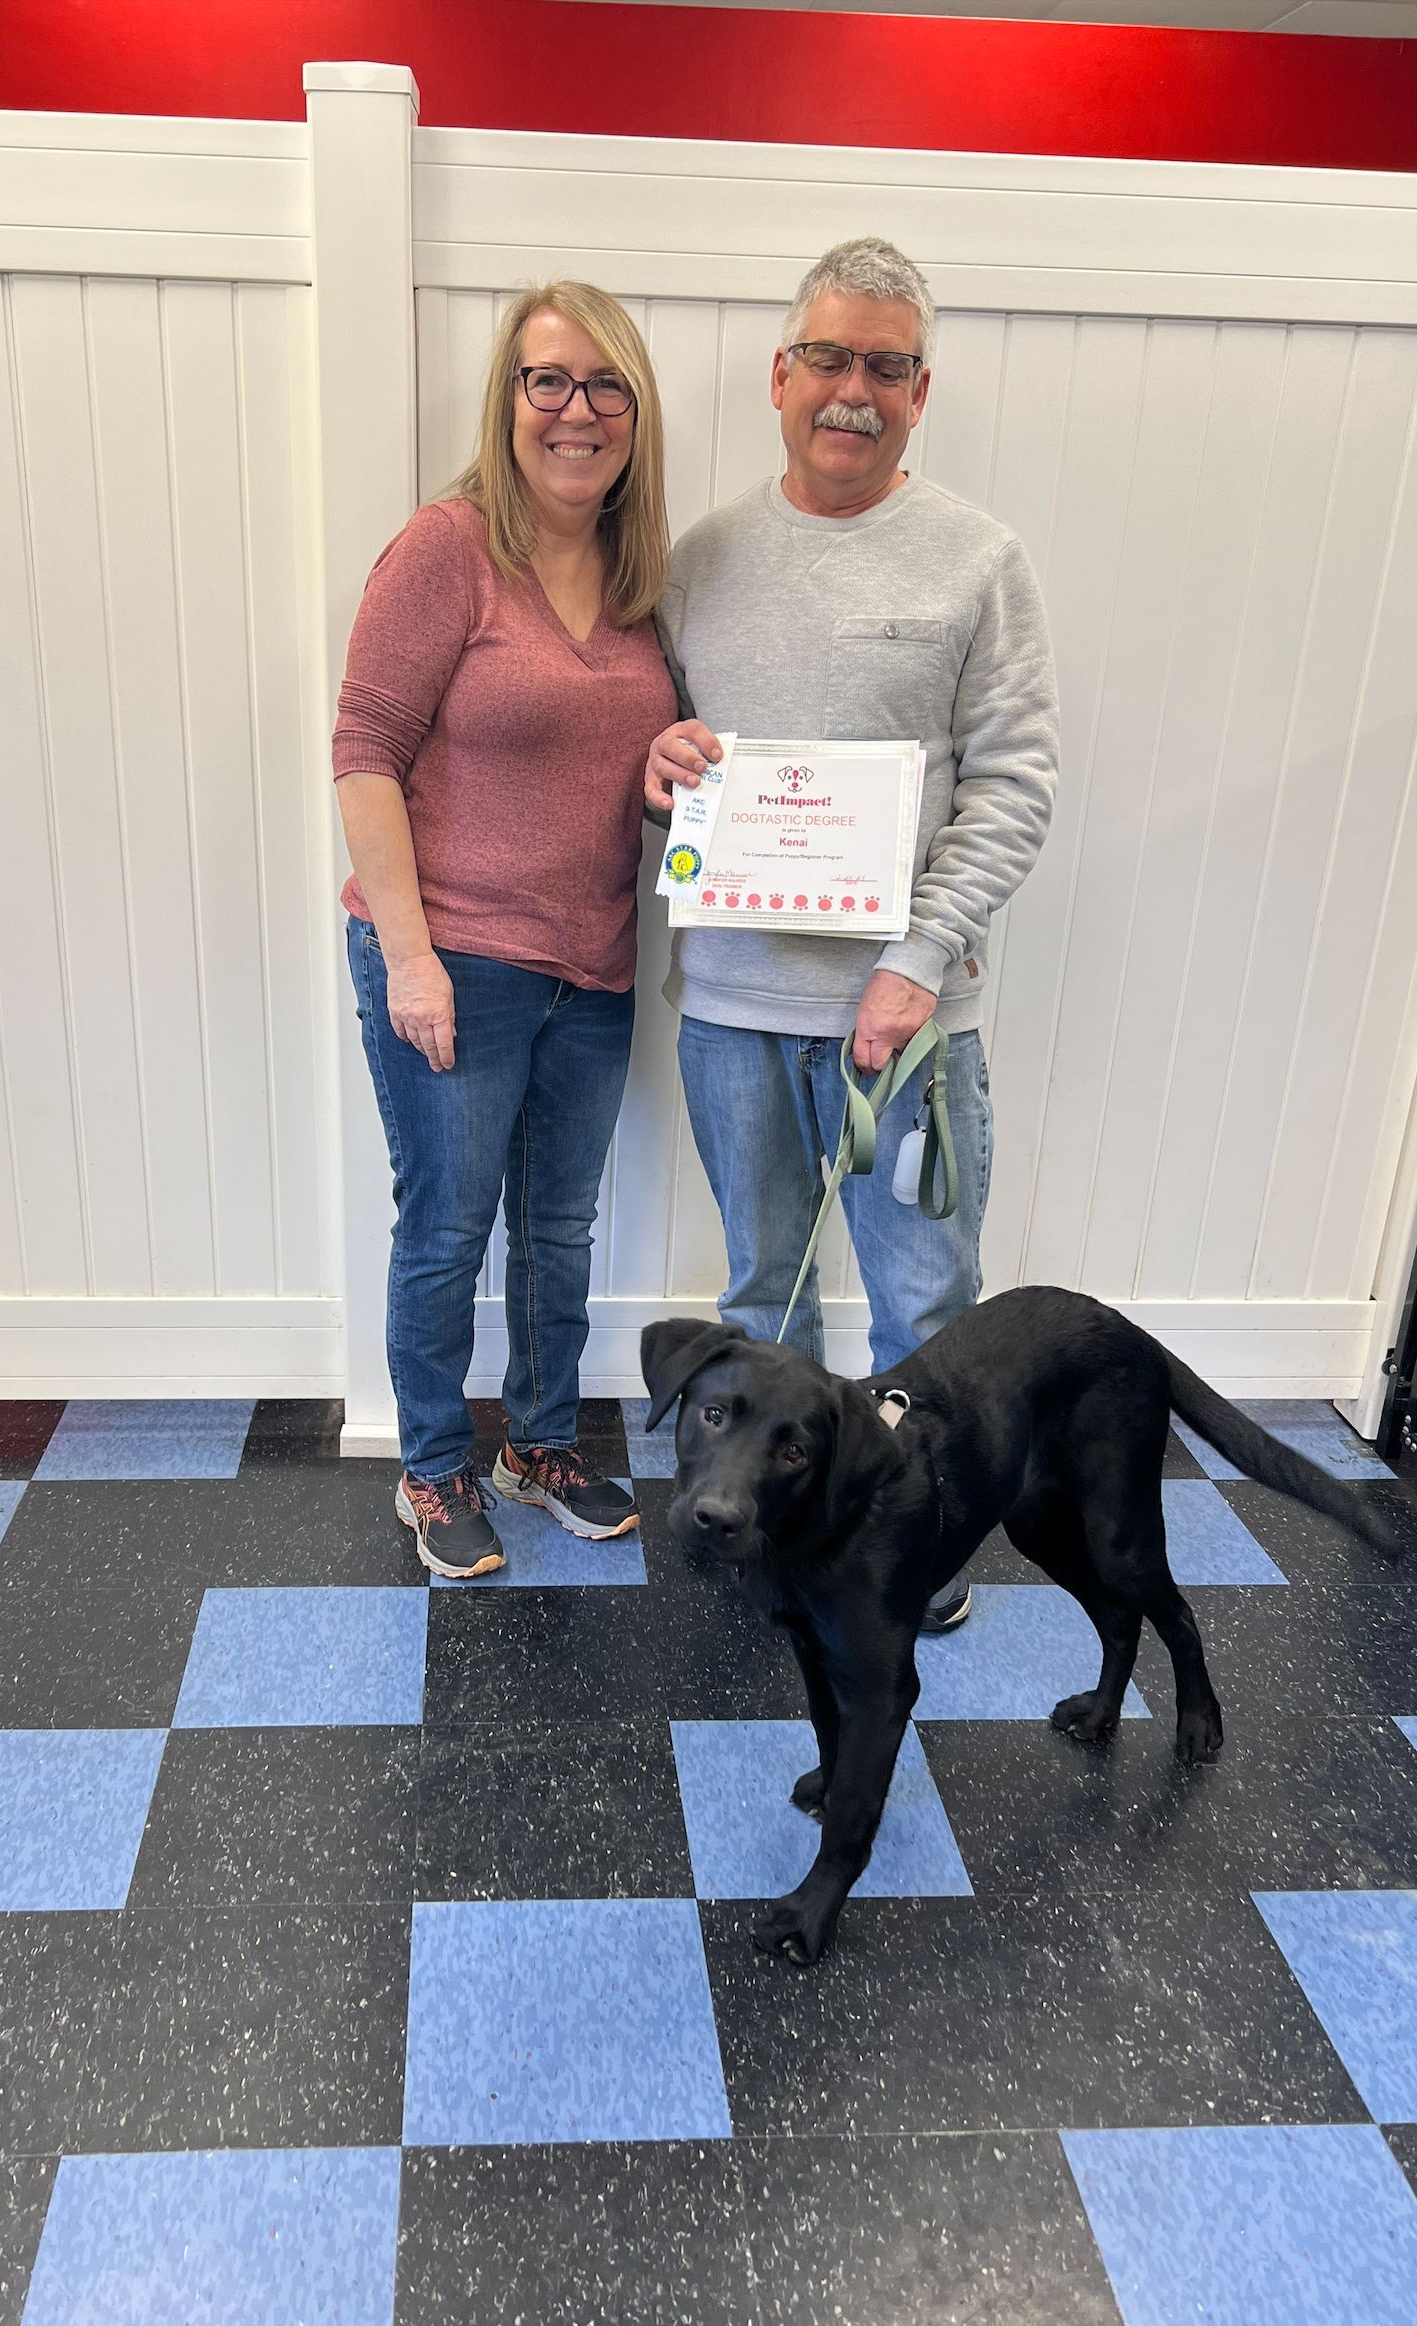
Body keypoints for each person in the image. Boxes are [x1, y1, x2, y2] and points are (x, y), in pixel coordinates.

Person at [645, 237, 1061, 1631]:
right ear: (780, 374)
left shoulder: (978, 561)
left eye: (886, 366)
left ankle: (913, 1544)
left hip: (910, 1028)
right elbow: (664, 765)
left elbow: (1015, 784)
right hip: (733, 1012)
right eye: (828, 358)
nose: (853, 391)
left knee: (923, 1311)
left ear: (921, 389)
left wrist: (915, 963)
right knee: (762, 1290)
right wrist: (660, 766)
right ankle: (767, 1518)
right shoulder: (699, 561)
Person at [335, 283, 676, 1578]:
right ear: (508, 399)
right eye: (549, 381)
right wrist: (411, 957)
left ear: (635, 416)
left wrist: (669, 764)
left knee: (558, 1230)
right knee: (446, 1229)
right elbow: (364, 753)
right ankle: (433, 1471)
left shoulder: (643, 577)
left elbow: (619, 754)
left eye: (606, 387)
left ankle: (538, 1449)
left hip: (590, 968)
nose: (577, 410)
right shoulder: (448, 548)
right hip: (454, 959)